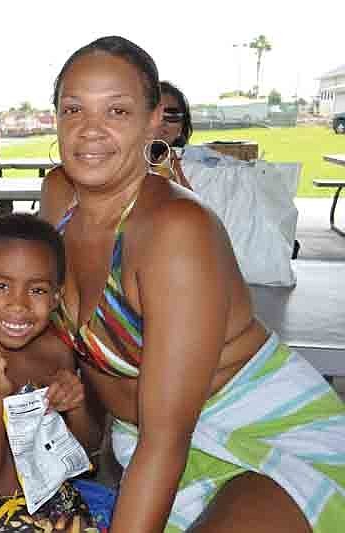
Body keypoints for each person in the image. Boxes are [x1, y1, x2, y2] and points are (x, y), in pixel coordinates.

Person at [41, 35, 345, 533]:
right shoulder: (58, 198)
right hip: (143, 448)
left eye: (116, 111)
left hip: (266, 440)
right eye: (73, 109)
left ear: (153, 119)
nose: (89, 130)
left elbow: (167, 439)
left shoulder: (176, 230)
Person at [0, 214, 101, 532]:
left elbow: (86, 449)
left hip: (62, 505)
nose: (18, 305)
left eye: (36, 290)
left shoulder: (57, 350)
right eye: (0, 286)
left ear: (56, 296)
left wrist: (76, 404)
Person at [151, 81, 193, 189]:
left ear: (182, 125)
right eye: (152, 114)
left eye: (171, 115)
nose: (161, 122)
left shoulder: (203, 170)